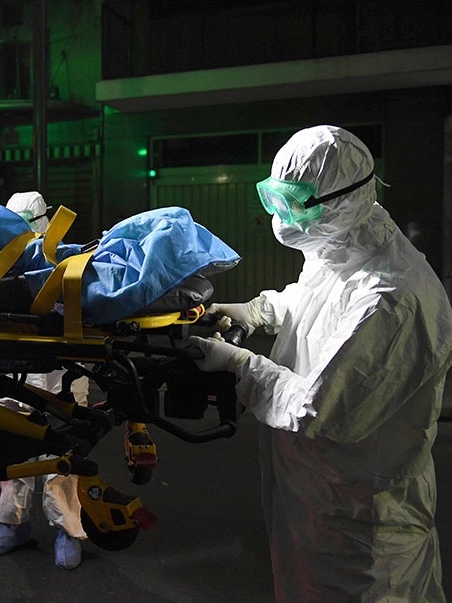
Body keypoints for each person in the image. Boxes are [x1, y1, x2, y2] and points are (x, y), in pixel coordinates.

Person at [189, 125, 452, 601]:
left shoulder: (392, 299)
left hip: (363, 533)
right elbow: (317, 299)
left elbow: (321, 409)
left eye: (294, 203)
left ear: (341, 200)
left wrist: (240, 365)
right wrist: (259, 310)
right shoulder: (345, 242)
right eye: (275, 199)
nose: (280, 217)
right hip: (317, 501)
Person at [0, 191, 89, 571]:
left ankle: (67, 530)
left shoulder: (66, 262)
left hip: (61, 372)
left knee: (62, 456)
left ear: (44, 223)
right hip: (15, 372)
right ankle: (13, 524)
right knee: (12, 448)